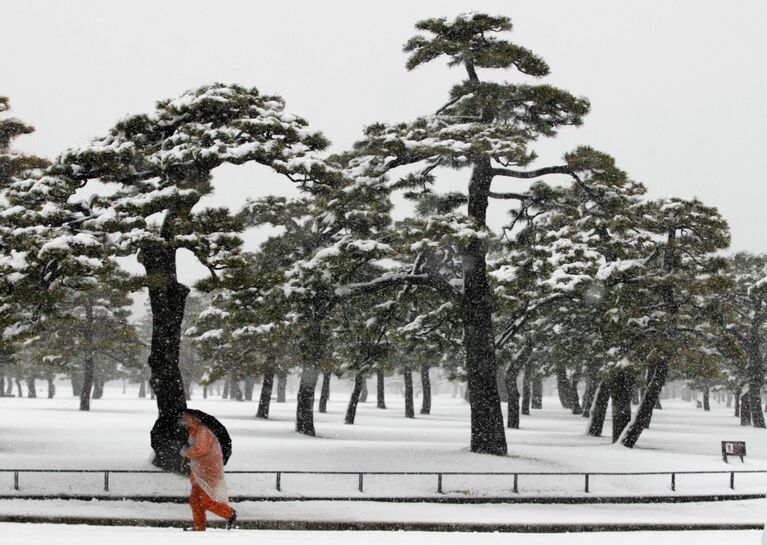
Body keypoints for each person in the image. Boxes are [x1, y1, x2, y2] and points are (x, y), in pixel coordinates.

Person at [179, 411, 237, 531]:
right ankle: (199, 527)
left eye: (187, 418)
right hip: (199, 471)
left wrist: (186, 451)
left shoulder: (203, 430)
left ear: (194, 419)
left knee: (206, 500)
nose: (184, 421)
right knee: (195, 500)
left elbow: (202, 449)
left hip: (209, 471)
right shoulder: (193, 432)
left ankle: (229, 513)